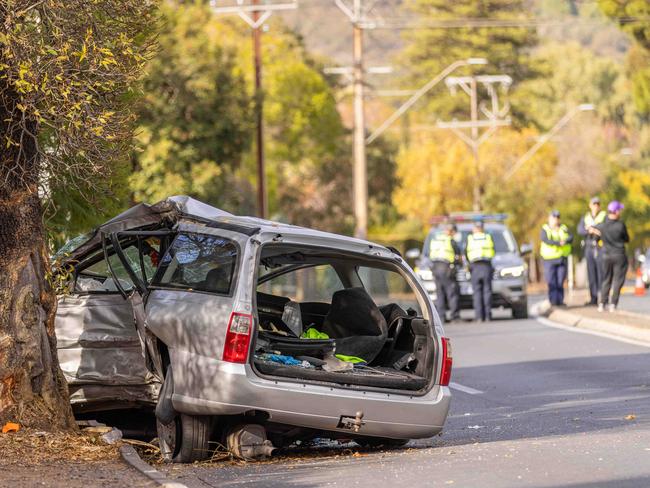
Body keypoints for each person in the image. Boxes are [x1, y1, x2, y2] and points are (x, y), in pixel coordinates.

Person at [592, 201, 629, 312]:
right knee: (618, 280)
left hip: (606, 255)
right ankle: (613, 303)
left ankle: (602, 303)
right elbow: (626, 239)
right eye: (619, 210)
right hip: (619, 255)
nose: (620, 212)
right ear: (616, 211)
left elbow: (595, 238)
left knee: (606, 279)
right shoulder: (620, 225)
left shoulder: (602, 225)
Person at [429, 223, 462, 322]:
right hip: (446, 268)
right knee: (452, 293)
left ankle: (441, 317)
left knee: (440, 293)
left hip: (435, 268)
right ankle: (455, 316)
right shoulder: (451, 241)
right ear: (451, 231)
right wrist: (459, 264)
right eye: (454, 232)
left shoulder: (435, 239)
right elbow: (458, 256)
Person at [540, 210, 573, 306]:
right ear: (549, 218)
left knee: (560, 281)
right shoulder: (545, 228)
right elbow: (545, 240)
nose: (556, 220)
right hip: (549, 259)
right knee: (551, 281)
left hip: (561, 258)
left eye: (558, 218)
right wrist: (558, 243)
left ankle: (560, 301)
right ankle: (553, 301)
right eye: (554, 218)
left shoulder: (563, 228)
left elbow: (571, 237)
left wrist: (565, 241)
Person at [577, 197, 606, 305]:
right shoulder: (586, 217)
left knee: (601, 273)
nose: (596, 206)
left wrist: (592, 228)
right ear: (590, 205)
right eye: (594, 204)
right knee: (591, 274)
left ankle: (602, 298)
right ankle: (593, 298)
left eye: (598, 204)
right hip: (589, 247)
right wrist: (591, 230)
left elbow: (605, 227)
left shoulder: (604, 216)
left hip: (600, 247)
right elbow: (580, 230)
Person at [466, 220, 495, 322]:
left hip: (475, 266)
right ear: (482, 228)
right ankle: (487, 316)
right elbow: (493, 251)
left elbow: (466, 253)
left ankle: (479, 317)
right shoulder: (488, 237)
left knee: (477, 293)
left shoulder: (470, 238)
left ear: (474, 229)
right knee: (487, 292)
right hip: (486, 265)